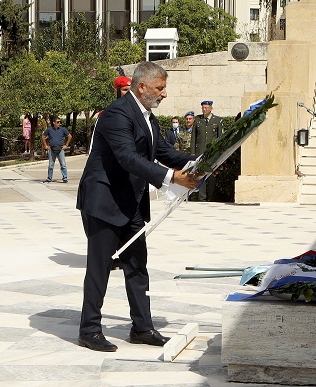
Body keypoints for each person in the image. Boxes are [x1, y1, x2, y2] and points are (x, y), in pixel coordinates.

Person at [76, 61, 200, 352]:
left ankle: (142, 328)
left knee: (137, 266)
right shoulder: (117, 114)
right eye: (160, 88)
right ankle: (89, 329)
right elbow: (128, 158)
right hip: (104, 201)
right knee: (100, 267)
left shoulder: (147, 116)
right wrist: (172, 177)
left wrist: (199, 163)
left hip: (130, 202)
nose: (164, 94)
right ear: (141, 86)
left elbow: (162, 151)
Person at [191, 100, 224, 201]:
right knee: (201, 174)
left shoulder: (217, 120)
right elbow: (194, 137)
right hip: (200, 152)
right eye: (203, 108)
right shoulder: (197, 119)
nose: (204, 109)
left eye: (206, 108)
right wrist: (193, 152)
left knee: (212, 174)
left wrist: (219, 152)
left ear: (211, 108)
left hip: (212, 152)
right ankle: (202, 197)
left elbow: (220, 137)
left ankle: (210, 197)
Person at [42, 116, 72, 183]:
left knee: (63, 164)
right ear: (54, 123)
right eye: (58, 122)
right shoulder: (49, 130)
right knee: (51, 165)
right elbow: (43, 136)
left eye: (60, 122)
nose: (59, 123)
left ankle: (65, 178)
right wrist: (45, 145)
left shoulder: (62, 129)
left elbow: (69, 136)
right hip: (52, 149)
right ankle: (49, 178)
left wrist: (66, 145)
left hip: (60, 149)